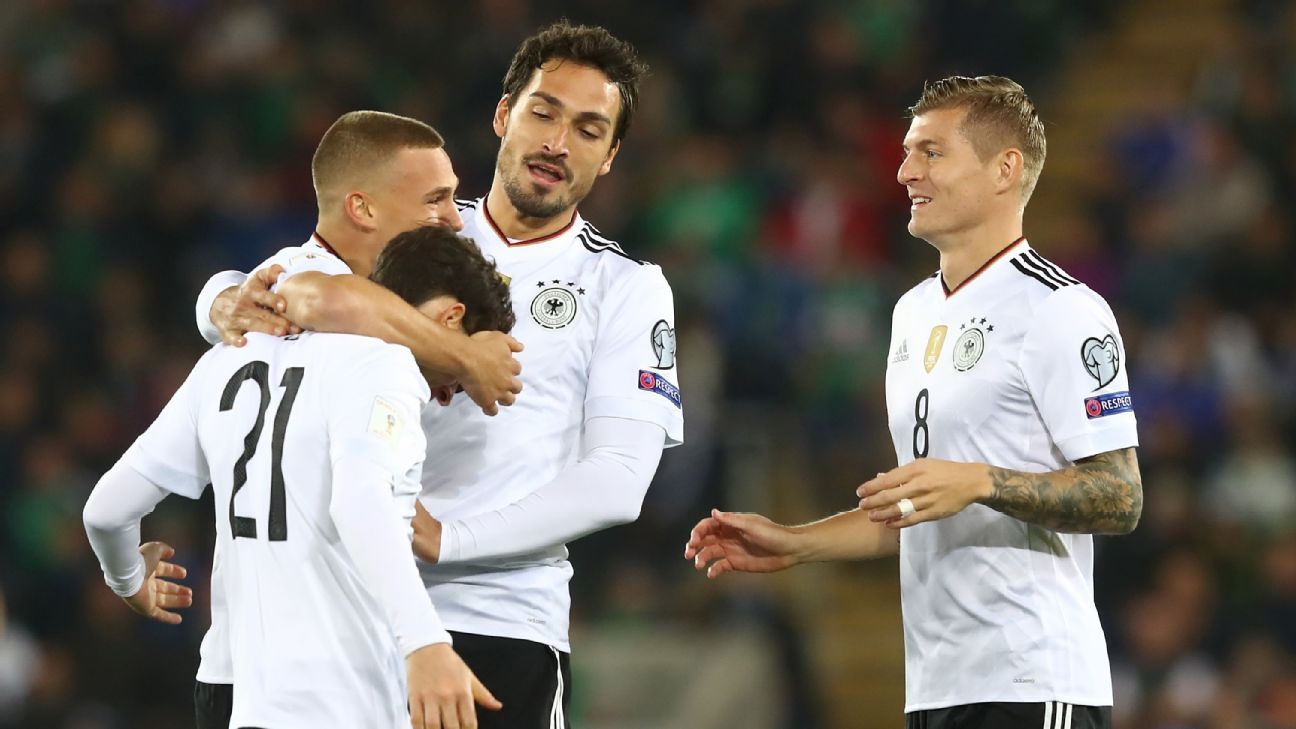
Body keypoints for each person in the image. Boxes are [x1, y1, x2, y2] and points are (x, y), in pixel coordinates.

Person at [196, 22, 680, 729]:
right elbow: (280, 282)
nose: (557, 142)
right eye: (543, 112)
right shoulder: (416, 224)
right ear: (503, 114)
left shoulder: (625, 287)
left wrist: (449, 537)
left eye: (587, 129)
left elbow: (618, 479)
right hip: (350, 608)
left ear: (609, 157)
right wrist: (217, 302)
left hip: (499, 622)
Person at [685, 76, 1142, 729]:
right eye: (906, 154)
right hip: (934, 687)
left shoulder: (1061, 309)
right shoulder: (912, 312)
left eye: (931, 153)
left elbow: (1121, 496)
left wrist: (981, 481)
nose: (904, 172)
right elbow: (921, 507)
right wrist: (796, 543)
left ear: (1004, 169)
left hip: (1032, 677)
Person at [84, 226, 514, 729]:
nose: (447, 394)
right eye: (459, 380)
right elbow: (360, 504)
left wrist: (128, 578)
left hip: (233, 687)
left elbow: (105, 510)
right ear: (450, 317)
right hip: (339, 694)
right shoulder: (383, 366)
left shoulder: (229, 355)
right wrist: (426, 642)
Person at [181, 109, 524, 729]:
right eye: (436, 200)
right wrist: (465, 356)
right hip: (297, 672)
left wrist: (215, 297)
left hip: (285, 659)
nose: (456, 218)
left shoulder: (371, 295)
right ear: (362, 208)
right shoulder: (305, 286)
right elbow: (319, 296)